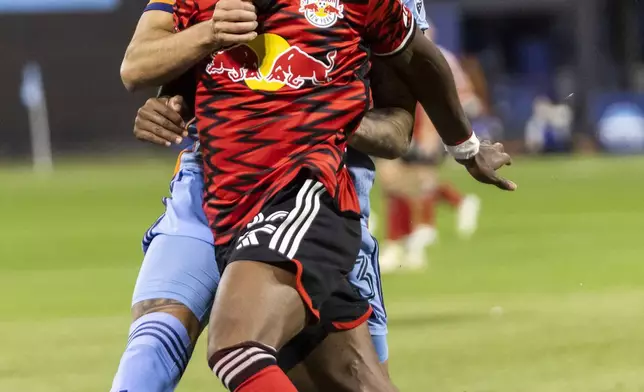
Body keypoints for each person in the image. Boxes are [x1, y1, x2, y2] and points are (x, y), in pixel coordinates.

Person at [119, 0, 515, 390]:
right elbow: (147, 66)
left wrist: (320, 113)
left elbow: (400, 118)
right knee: (157, 338)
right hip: (212, 190)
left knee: (313, 364)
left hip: (313, 192)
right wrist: (173, 101)